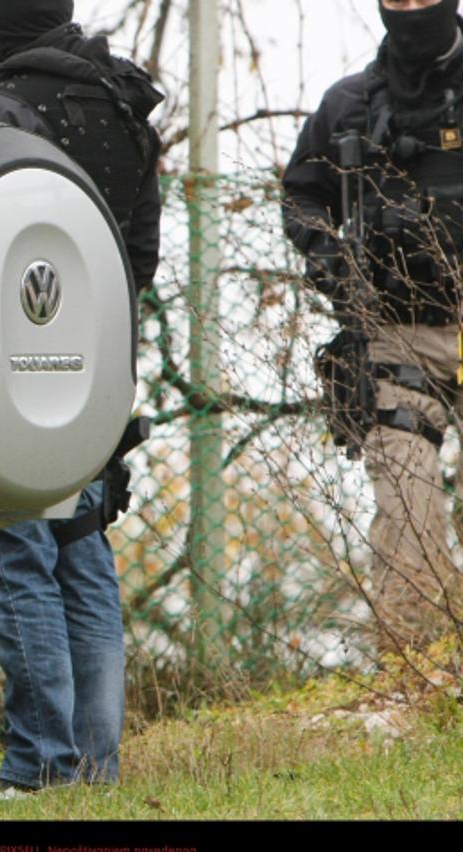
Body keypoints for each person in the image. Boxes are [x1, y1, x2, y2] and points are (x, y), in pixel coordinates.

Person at [0, 0, 163, 797]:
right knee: (79, 549)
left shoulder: (0, 111)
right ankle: (96, 767)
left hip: (13, 360)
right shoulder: (122, 100)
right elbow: (137, 256)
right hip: (99, 360)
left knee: (15, 555)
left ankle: (39, 766)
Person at [282, 0, 463, 651]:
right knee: (406, 505)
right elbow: (301, 192)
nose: (411, 11)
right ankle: (422, 674)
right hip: (395, 331)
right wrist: (330, 258)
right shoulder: (350, 105)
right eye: (398, 0)